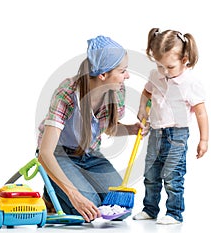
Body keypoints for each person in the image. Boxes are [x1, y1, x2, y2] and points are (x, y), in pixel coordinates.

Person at [37, 35, 147, 223]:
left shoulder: (117, 91)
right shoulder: (68, 93)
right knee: (88, 207)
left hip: (89, 156)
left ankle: (65, 187)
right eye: (122, 71)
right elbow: (45, 153)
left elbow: (106, 128)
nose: (127, 76)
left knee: (121, 209)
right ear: (102, 75)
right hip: (58, 155)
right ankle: (52, 193)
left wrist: (130, 129)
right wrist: (73, 194)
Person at [133, 28, 209, 224]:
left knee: (172, 176)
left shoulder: (190, 83)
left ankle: (174, 213)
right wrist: (142, 109)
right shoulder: (155, 75)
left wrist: (204, 139)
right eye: (160, 66)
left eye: (170, 67)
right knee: (151, 173)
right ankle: (150, 209)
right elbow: (147, 93)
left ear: (185, 59)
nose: (164, 72)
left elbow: (201, 112)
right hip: (156, 132)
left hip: (177, 135)